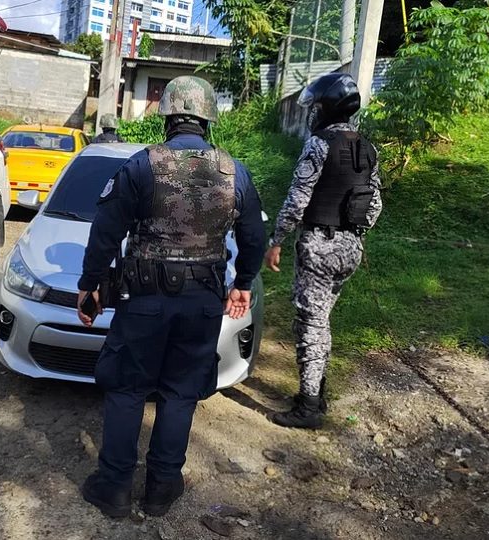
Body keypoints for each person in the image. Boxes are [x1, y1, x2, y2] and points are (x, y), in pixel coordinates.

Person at [77, 76, 266, 518]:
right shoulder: (233, 171)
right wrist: (242, 283)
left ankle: (115, 488)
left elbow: (106, 231)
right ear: (207, 119)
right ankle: (162, 489)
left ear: (166, 118)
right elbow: (254, 236)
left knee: (126, 389)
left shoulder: (142, 165)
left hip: (143, 298)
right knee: (180, 394)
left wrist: (90, 285)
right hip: (201, 302)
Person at [264, 73, 383, 429]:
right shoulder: (367, 147)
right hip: (350, 249)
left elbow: (298, 199)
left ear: (327, 108)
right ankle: (316, 390)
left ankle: (310, 406)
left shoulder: (318, 146)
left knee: (310, 324)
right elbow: (374, 204)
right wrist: (353, 235)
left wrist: (277, 240)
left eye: (316, 106)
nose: (312, 113)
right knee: (322, 320)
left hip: (320, 247)